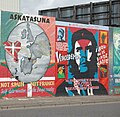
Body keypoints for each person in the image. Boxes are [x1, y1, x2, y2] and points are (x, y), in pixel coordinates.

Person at [56, 28, 108, 96]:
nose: (83, 55)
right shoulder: (63, 89)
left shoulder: (101, 89)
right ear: (72, 53)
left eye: (89, 50)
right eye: (78, 50)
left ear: (94, 53)